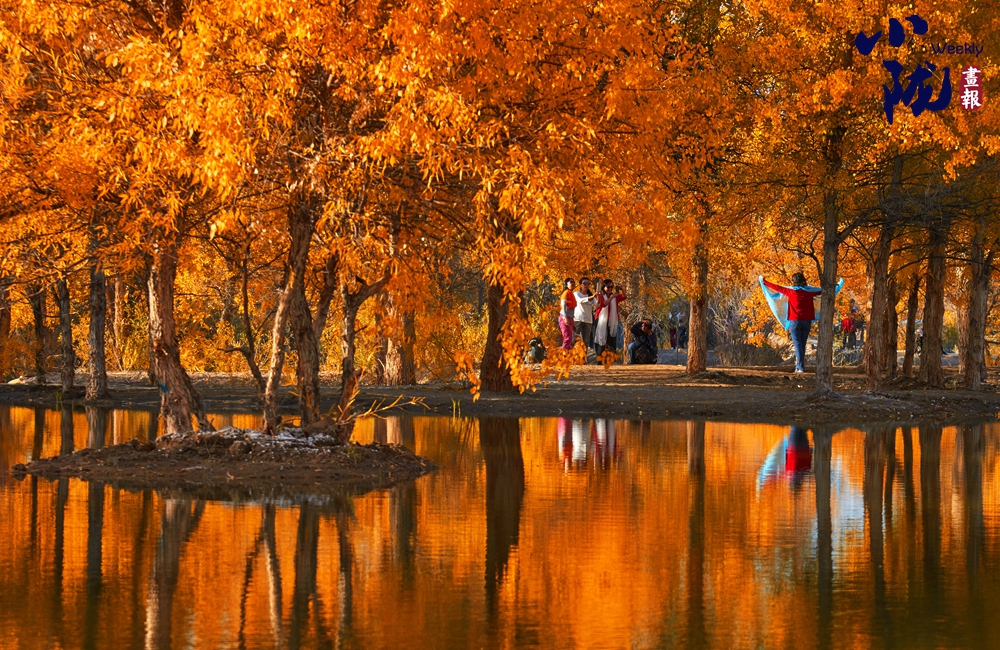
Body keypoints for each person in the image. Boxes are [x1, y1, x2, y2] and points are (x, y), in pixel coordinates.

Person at [761, 272, 822, 373]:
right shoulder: (809, 292)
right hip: (807, 321)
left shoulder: (790, 292)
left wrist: (764, 282)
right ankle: (799, 367)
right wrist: (836, 286)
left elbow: (777, 288)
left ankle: (800, 368)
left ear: (794, 281)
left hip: (795, 321)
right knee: (802, 344)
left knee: (798, 344)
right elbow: (822, 291)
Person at [593, 280, 626, 358]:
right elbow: (603, 304)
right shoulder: (600, 295)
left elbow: (624, 297)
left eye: (612, 287)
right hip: (601, 321)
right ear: (603, 287)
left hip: (612, 321)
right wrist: (612, 297)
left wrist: (622, 289)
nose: (610, 289)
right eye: (608, 287)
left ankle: (610, 358)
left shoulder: (614, 296)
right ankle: (600, 358)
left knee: (611, 339)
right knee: (601, 339)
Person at [573, 277, 596, 353]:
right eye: (584, 283)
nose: (586, 285)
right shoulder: (576, 294)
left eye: (588, 284)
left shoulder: (590, 295)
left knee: (585, 341)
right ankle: (573, 356)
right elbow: (580, 300)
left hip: (588, 320)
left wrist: (598, 297)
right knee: (574, 339)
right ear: (580, 284)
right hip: (578, 319)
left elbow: (597, 304)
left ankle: (583, 357)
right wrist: (591, 297)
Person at [559, 278, 577, 350]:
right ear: (566, 284)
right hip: (565, 318)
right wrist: (565, 318)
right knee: (567, 338)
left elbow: (571, 310)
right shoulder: (566, 293)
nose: (573, 283)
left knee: (570, 339)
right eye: (571, 282)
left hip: (569, 318)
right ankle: (562, 355)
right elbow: (563, 306)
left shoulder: (571, 293)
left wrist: (572, 322)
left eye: (573, 282)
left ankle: (566, 355)